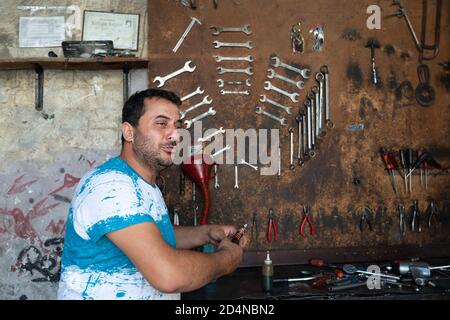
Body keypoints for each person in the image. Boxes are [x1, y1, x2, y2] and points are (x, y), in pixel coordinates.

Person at [57, 88, 247, 300]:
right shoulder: (110, 186)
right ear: (129, 132)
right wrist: (227, 258)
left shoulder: (145, 186)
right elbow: (169, 275)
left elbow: (152, 234)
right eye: (161, 123)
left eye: (177, 126)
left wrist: (206, 233)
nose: (175, 135)